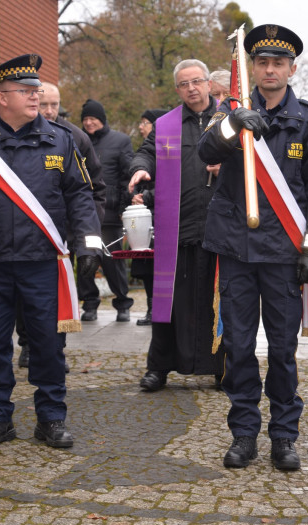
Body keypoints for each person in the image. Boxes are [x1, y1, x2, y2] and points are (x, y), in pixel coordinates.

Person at [0, 54, 103, 451]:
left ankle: (51, 418)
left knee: (48, 342)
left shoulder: (61, 139)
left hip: (44, 263)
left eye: (36, 90)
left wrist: (88, 245)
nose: (35, 96)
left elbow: (80, 195)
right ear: (2, 96)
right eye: (26, 91)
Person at [198, 24, 308, 471]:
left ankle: (283, 435)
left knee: (282, 349)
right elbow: (204, 153)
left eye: (279, 62)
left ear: (292, 68)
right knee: (238, 347)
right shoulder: (230, 112)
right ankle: (244, 434)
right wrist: (231, 126)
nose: (270, 69)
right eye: (262, 62)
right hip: (237, 250)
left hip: (283, 254)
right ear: (253, 68)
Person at [128, 61, 224, 392]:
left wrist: (228, 164)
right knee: (169, 304)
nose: (192, 88)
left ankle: (223, 368)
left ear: (209, 84)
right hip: (178, 230)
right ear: (177, 90)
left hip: (219, 231)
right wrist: (140, 169)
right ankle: (159, 367)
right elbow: (145, 154)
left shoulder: (227, 121)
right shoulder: (166, 125)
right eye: (184, 84)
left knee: (220, 304)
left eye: (197, 81)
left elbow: (251, 162)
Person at [15, 84, 107, 369]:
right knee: (23, 295)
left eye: (55, 105)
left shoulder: (75, 137)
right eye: (44, 105)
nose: (50, 111)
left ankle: (56, 349)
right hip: (25, 233)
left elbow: (96, 188)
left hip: (63, 236)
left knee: (60, 297)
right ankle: (28, 345)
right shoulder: (12, 136)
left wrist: (87, 233)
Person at [77, 98, 135, 323]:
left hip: (109, 214)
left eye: (93, 118)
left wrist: (123, 207)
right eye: (85, 119)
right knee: (86, 260)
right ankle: (89, 304)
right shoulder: (78, 140)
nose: (89, 123)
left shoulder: (120, 141)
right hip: (84, 215)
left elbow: (126, 176)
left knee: (113, 261)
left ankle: (122, 303)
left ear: (102, 119)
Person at [130, 107, 168, 327]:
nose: (141, 127)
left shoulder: (168, 148)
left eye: (146, 123)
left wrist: (147, 196)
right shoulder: (144, 151)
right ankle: (152, 307)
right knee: (145, 267)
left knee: (159, 266)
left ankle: (161, 307)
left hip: (162, 215)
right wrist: (135, 197)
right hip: (145, 215)